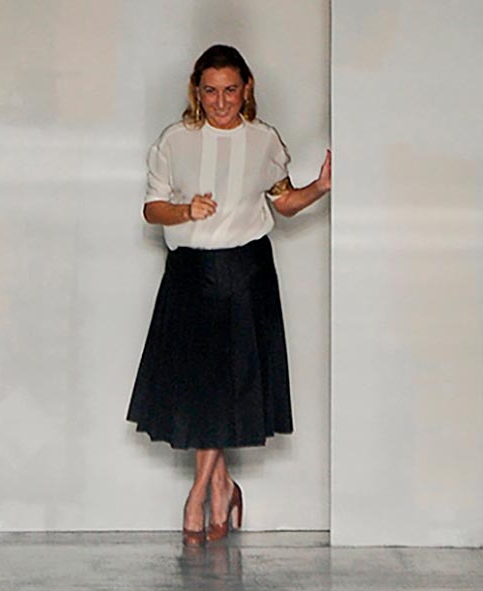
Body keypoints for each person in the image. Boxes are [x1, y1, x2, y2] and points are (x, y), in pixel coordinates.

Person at [126, 44, 332, 545]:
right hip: (191, 274)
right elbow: (152, 209)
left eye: (230, 90)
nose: (221, 102)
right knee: (203, 389)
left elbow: (284, 202)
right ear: (197, 91)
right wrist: (185, 211)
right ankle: (221, 487)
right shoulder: (174, 141)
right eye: (211, 91)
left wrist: (320, 188)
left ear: (247, 89)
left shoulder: (264, 140)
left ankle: (199, 494)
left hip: (246, 273)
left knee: (227, 388)